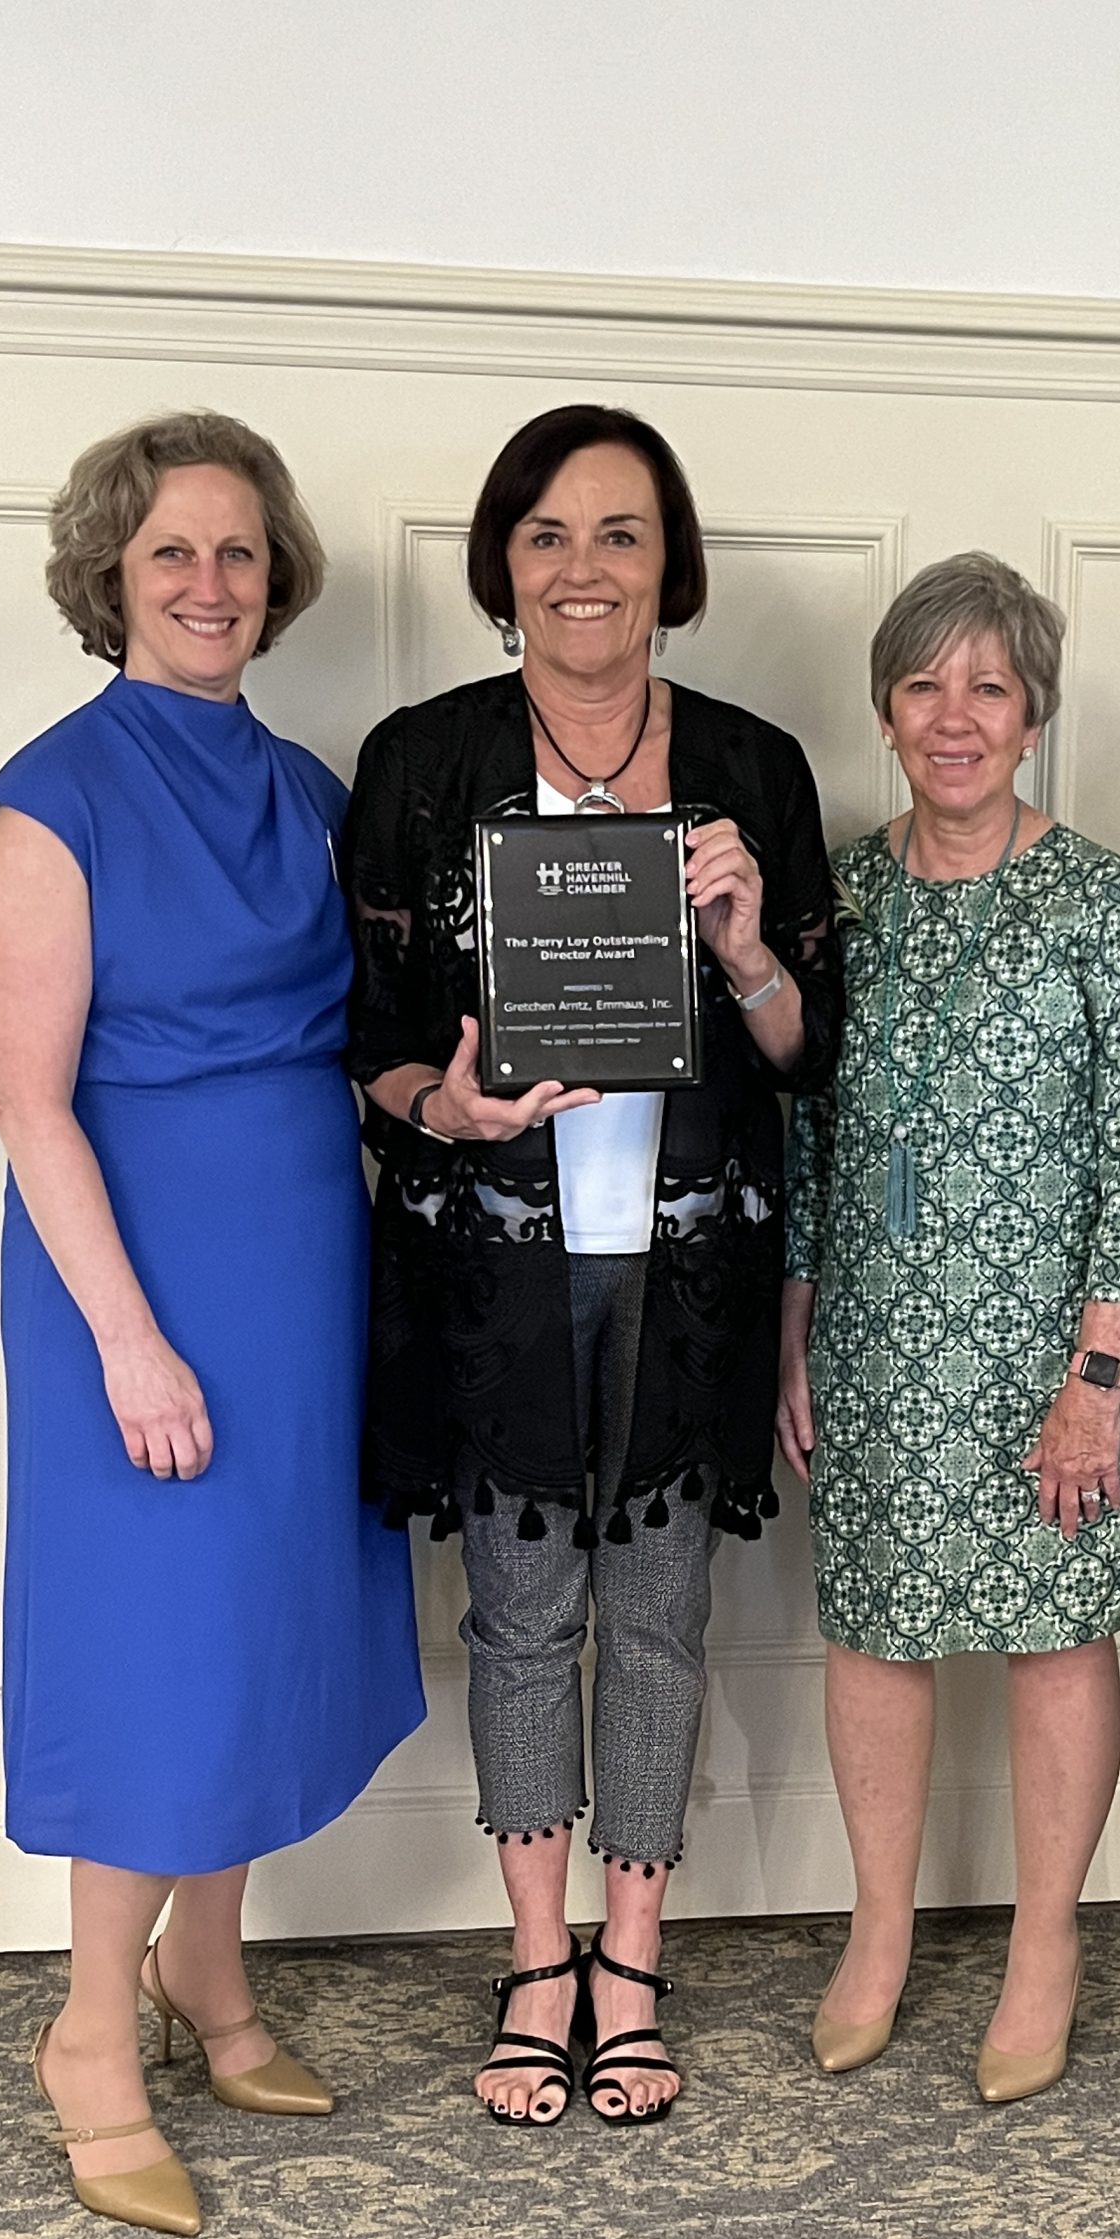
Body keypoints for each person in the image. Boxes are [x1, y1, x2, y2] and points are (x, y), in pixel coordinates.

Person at [344, 404, 841, 2128]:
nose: (582, 568)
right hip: (495, 1265)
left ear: (667, 566)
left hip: (691, 1264)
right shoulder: (423, 764)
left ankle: (633, 1961)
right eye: (547, 534)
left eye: (619, 533)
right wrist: (451, 1106)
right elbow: (370, 1043)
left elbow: (811, 1051)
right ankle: (537, 1960)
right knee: (520, 1617)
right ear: (504, 563)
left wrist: (746, 949)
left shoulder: (755, 767)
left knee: (662, 1617)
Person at [0, 412, 425, 2239]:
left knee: (264, 1629)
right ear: (112, 575)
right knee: (158, 1646)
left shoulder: (310, 790)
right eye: (173, 552)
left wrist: (451, 1097)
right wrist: (130, 1342)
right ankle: (91, 2029)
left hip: (303, 1265)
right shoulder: (50, 799)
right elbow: (26, 1102)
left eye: (239, 551)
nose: (211, 584)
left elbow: (358, 1044)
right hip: (133, 1279)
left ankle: (206, 1974)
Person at [778, 551, 1120, 2105]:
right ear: (886, 709)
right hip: (877, 1339)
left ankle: (1044, 1943)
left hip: (1056, 1347)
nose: (956, 716)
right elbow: (806, 1135)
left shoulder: (1100, 900)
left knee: (1055, 1635)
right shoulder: (839, 895)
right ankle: (878, 1932)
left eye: (990, 687)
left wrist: (1097, 1379)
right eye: (925, 684)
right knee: (875, 1630)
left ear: (1032, 717)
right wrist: (795, 1334)